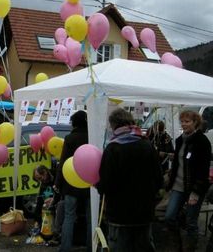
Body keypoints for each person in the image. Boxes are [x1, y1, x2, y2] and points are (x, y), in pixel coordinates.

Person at [96, 108, 163, 252]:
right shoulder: (147, 145)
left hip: (119, 213)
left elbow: (106, 183)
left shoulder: (113, 149)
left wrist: (97, 185)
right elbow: (159, 179)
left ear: (114, 125)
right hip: (144, 212)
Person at [165, 110, 211, 251]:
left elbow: (203, 171)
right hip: (178, 186)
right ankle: (177, 245)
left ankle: (191, 248)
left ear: (195, 122)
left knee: (191, 222)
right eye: (182, 121)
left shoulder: (202, 142)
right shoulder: (180, 140)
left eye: (187, 121)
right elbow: (179, 163)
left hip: (194, 189)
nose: (184, 124)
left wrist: (195, 193)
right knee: (169, 217)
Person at [55, 110, 91, 252]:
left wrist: (58, 182)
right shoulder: (91, 136)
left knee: (69, 216)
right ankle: (91, 247)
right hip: (89, 183)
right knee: (90, 217)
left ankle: (65, 248)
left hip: (71, 183)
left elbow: (63, 161)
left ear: (74, 123)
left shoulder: (70, 138)